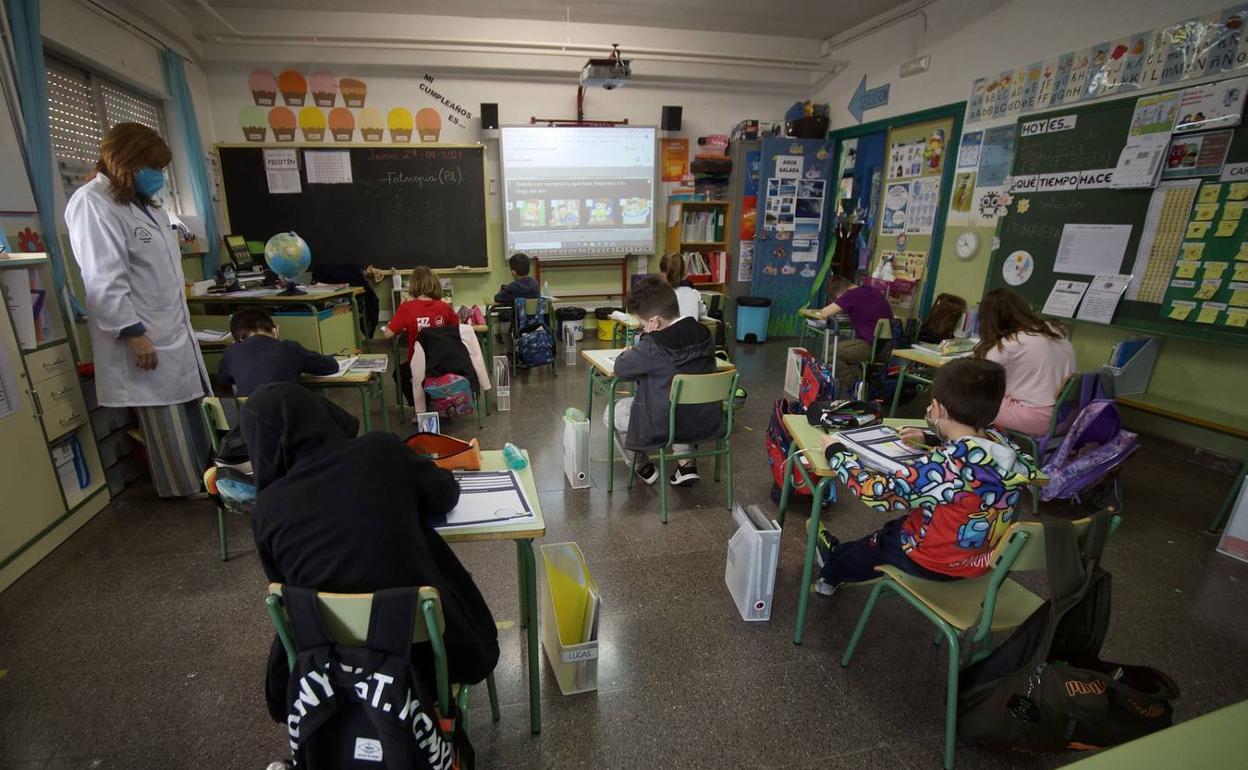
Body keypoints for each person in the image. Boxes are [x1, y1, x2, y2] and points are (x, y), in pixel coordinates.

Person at [240, 383, 498, 722]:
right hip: (430, 656)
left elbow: (286, 587)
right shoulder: (380, 451)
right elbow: (444, 494)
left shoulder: (267, 511)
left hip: (330, 672)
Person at [65, 122, 210, 498]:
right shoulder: (92, 203)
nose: (159, 177)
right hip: (141, 334)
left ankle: (203, 478)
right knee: (165, 417)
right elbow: (103, 278)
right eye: (153, 168)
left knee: (187, 410)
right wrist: (132, 333)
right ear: (126, 161)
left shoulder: (143, 205)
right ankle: (182, 489)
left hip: (170, 328)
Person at [813, 358, 1036, 595]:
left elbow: (876, 495)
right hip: (980, 559)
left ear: (938, 409)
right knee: (897, 527)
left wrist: (837, 455)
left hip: (933, 561)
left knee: (881, 542)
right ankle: (837, 553)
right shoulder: (1003, 443)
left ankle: (830, 573)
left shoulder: (945, 465)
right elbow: (975, 449)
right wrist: (931, 438)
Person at [608, 276, 719, 486]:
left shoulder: (652, 346)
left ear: (655, 322)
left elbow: (621, 367)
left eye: (642, 324)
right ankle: (686, 463)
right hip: (706, 419)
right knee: (682, 401)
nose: (642, 329)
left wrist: (631, 350)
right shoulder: (704, 334)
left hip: (664, 426)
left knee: (612, 413)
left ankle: (642, 466)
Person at [973, 287, 1077, 436]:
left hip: (1039, 419)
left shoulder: (1010, 343)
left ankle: (969, 448)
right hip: (1067, 416)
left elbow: (978, 372)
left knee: (969, 400)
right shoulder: (1054, 330)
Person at [215, 307, 338, 396]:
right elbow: (331, 366)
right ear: (276, 330)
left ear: (237, 339)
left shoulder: (231, 353)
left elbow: (224, 380)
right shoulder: (289, 348)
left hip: (249, 427)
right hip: (288, 423)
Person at [384, 266, 459, 404]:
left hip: (417, 365)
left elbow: (388, 334)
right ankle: (438, 399)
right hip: (443, 363)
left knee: (399, 373)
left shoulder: (406, 307)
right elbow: (456, 329)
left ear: (414, 285)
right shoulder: (444, 307)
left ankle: (418, 404)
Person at [815, 276, 894, 393]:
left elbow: (825, 313)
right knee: (844, 353)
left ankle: (854, 386)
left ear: (839, 296)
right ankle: (862, 382)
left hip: (872, 347)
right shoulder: (872, 291)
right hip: (889, 347)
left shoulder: (851, 295)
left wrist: (838, 305)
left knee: (830, 352)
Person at [659, 253, 706, 321]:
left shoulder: (662, 296)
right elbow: (703, 312)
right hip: (691, 330)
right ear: (684, 271)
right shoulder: (694, 293)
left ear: (663, 274)